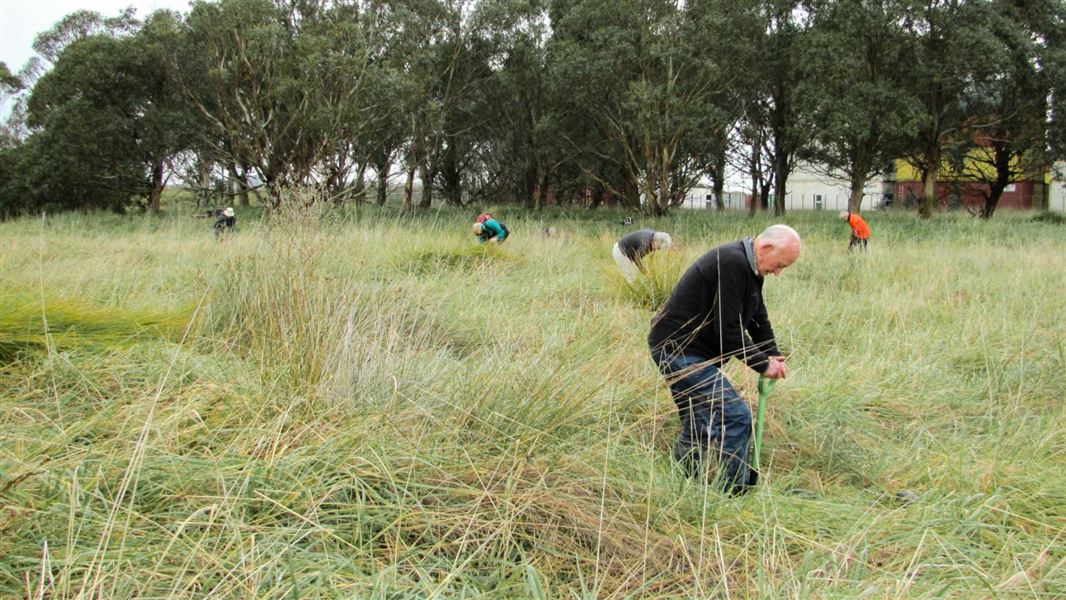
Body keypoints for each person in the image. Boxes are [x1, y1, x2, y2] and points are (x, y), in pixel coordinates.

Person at [648, 224, 801, 495]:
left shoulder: (751, 267)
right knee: (736, 417)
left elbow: (756, 315)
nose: (777, 272)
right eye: (779, 265)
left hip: (689, 351)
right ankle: (734, 491)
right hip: (678, 351)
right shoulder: (732, 262)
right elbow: (728, 330)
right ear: (766, 248)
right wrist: (762, 364)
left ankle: (684, 484)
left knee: (698, 421)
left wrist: (772, 353)